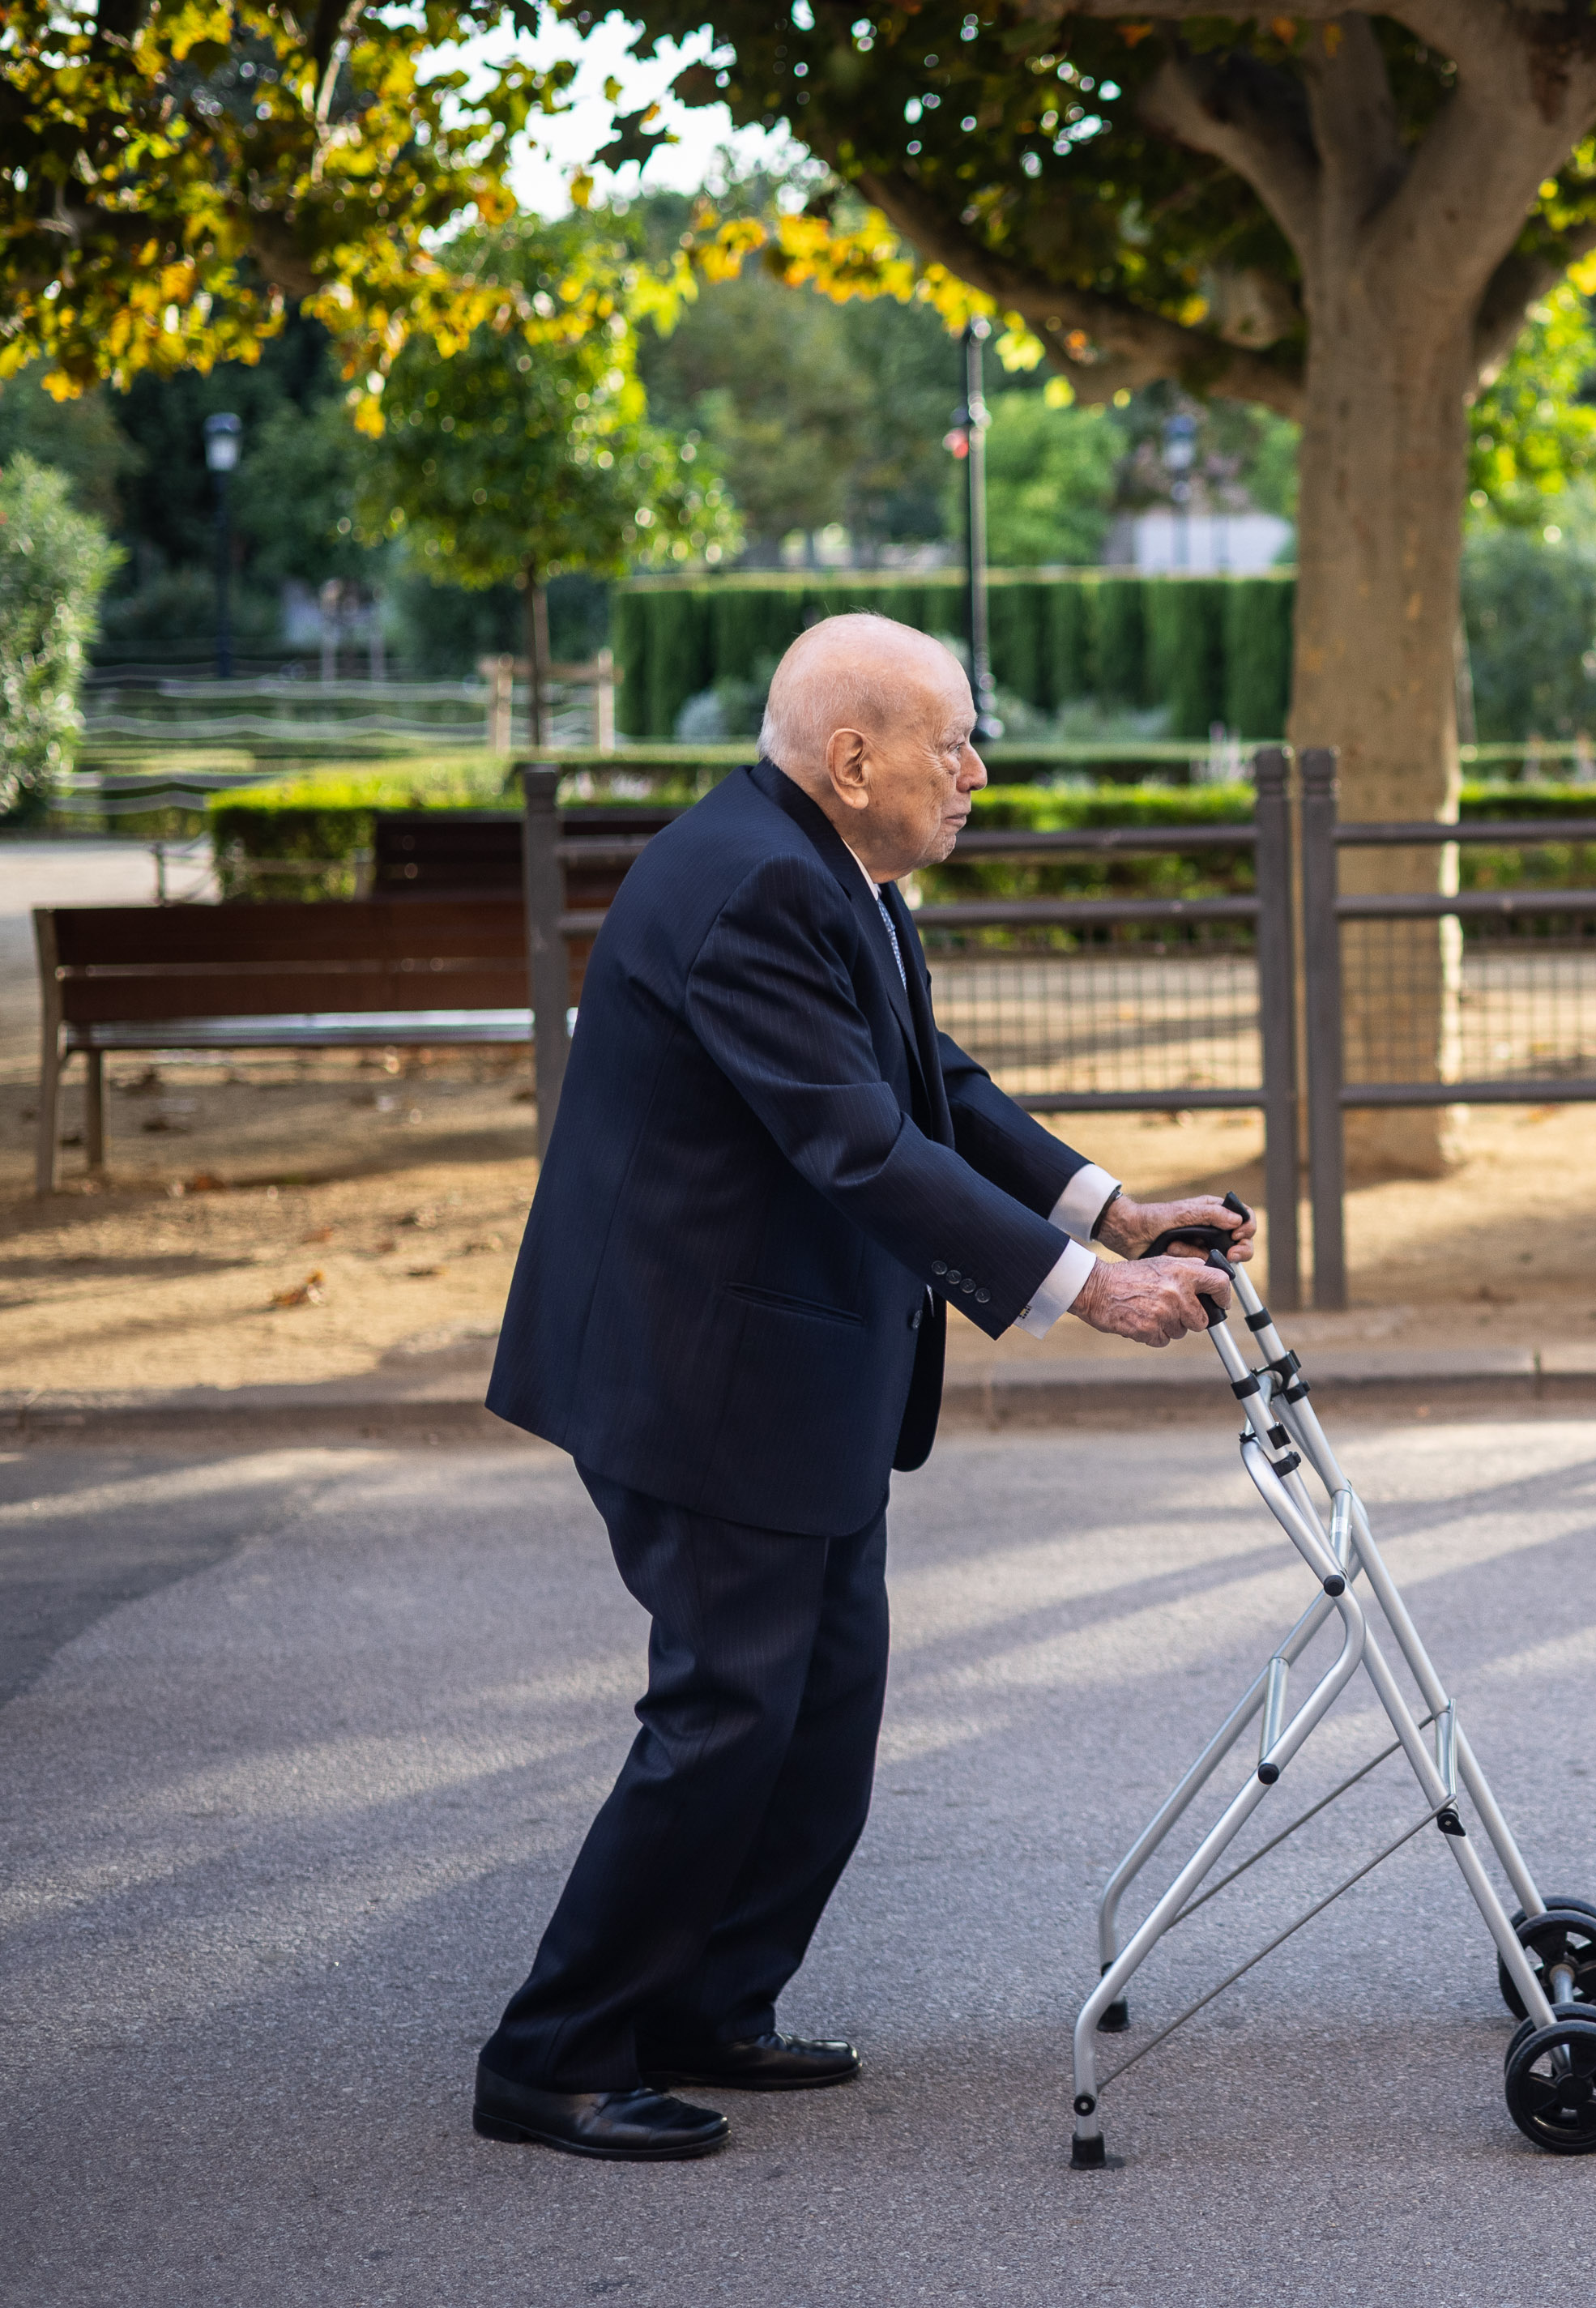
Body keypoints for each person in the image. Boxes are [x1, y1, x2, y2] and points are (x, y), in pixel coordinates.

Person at [474, 614, 1253, 2161]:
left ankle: (705, 2001)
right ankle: (555, 2049)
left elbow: (929, 1078)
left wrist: (1109, 1204)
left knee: (817, 1708)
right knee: (725, 1710)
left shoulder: (826, 863)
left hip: (780, 1363)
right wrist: (1093, 1289)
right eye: (951, 742)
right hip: (699, 1369)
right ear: (853, 759)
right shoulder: (759, 882)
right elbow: (857, 1142)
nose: (974, 772)